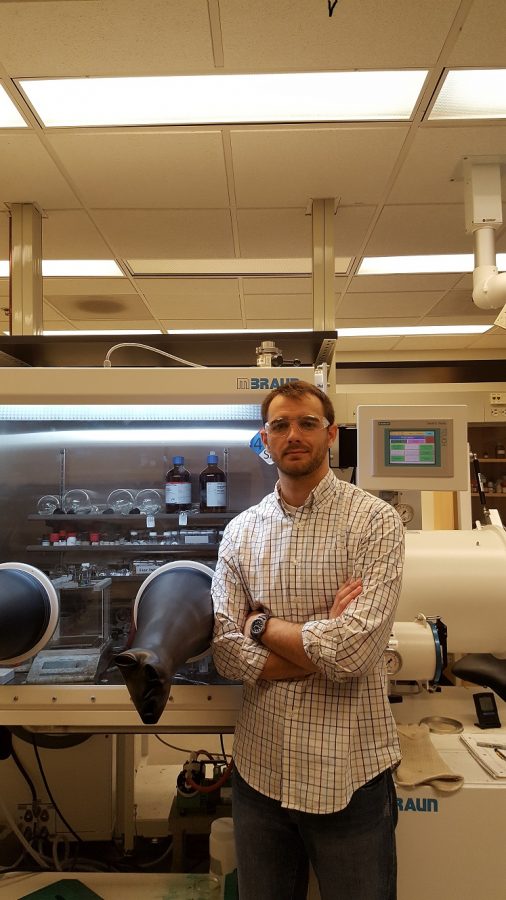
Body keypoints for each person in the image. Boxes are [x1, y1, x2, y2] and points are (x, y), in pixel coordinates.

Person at [211, 380, 405, 900]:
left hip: (351, 775)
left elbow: (354, 652)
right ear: (265, 439)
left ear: (330, 434)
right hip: (261, 775)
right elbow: (225, 650)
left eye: (306, 422)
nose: (292, 434)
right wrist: (323, 640)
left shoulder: (375, 521)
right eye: (279, 425)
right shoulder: (241, 532)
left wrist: (260, 626)